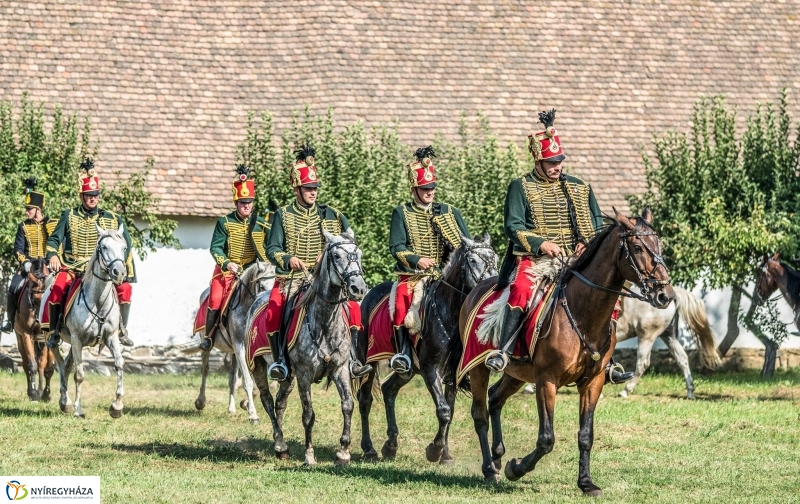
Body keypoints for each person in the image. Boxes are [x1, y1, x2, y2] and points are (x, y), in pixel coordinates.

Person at [485, 109, 633, 384]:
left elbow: (593, 225)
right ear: (537, 161)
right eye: (551, 162)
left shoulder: (579, 186)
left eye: (559, 161)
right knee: (519, 290)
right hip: (535, 259)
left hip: (575, 258)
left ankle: (607, 360)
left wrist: (583, 244)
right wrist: (542, 243)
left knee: (607, 295)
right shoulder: (520, 187)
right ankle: (503, 351)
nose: (557, 166)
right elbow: (513, 227)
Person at [264, 145, 370, 381]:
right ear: (297, 189)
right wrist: (288, 259)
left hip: (325, 279)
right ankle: (281, 361)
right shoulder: (283, 215)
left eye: (315, 188)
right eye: (308, 188)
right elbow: (271, 249)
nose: (313, 192)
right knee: (273, 311)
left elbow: (348, 241)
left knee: (353, 307)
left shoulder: (332, 214)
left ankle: (352, 359)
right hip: (292, 279)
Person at [388, 146, 469, 375]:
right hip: (415, 277)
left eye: (432, 187)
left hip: (446, 275)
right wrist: (417, 260)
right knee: (402, 301)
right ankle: (403, 352)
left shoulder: (450, 212)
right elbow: (396, 247)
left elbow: (467, 243)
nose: (429, 192)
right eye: (424, 188)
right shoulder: (402, 212)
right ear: (414, 188)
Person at [45, 158, 136, 348]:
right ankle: (54, 332)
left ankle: (121, 330)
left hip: (103, 271)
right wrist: (53, 255)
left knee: (126, 290)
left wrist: (125, 271)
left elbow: (126, 245)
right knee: (57, 288)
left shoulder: (113, 219)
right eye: (88, 195)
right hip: (73, 267)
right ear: (81, 196)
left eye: (95, 194)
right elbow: (54, 239)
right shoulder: (68, 215)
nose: (92, 198)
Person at [198, 165, 270, 351]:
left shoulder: (261, 223)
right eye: (242, 202)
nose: (246, 205)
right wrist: (227, 263)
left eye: (249, 202)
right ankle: (208, 336)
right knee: (214, 299)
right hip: (227, 271)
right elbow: (215, 248)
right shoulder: (224, 222)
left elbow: (269, 247)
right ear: (236, 203)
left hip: (253, 271)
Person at [1, 178, 56, 333]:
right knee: (13, 287)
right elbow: (18, 249)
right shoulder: (23, 226)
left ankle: (60, 324)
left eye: (29, 209)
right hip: (29, 266)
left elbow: (59, 246)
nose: (26, 212)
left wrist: (54, 260)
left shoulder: (52, 224)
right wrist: (24, 261)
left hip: (48, 266)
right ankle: (10, 322)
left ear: (38, 209)